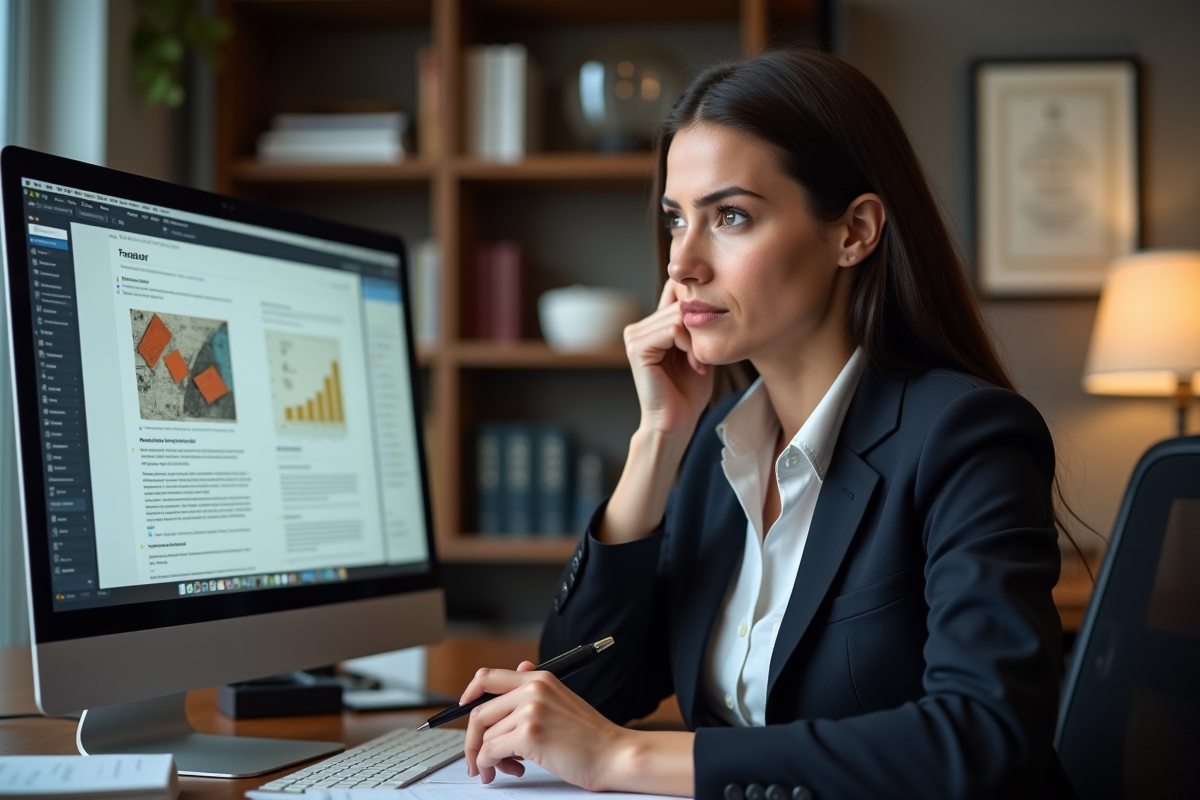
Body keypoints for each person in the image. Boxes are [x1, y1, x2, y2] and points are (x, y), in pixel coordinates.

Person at [457, 49, 1076, 799]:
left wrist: (625, 759)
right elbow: (591, 695)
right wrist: (658, 440)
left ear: (855, 232)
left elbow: (984, 736)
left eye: (731, 217)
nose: (682, 262)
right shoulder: (719, 450)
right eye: (675, 219)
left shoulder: (968, 436)